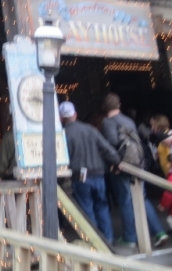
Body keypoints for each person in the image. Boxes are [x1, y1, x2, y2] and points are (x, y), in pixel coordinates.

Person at [100, 93, 169, 248]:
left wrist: (113, 161)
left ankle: (130, 238)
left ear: (105, 108)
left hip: (122, 166)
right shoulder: (128, 120)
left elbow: (113, 142)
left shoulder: (108, 122)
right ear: (118, 105)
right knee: (142, 198)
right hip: (137, 163)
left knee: (125, 200)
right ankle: (159, 232)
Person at [59, 101, 120, 243]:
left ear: (61, 118)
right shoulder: (90, 129)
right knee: (102, 207)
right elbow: (107, 149)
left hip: (80, 177)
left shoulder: (63, 134)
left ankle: (94, 242)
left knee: (87, 210)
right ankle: (108, 239)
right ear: (75, 114)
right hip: (98, 174)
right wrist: (117, 162)